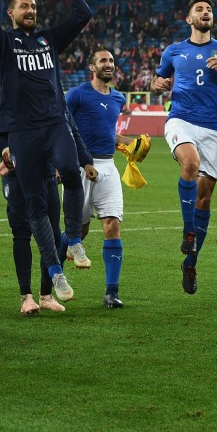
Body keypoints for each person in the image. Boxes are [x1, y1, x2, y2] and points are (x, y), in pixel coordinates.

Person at [0, 0, 92, 302]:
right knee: (35, 207)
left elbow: (84, 14)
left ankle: (74, 241)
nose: (30, 10)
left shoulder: (49, 39)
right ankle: (55, 274)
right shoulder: (5, 44)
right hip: (22, 133)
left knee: (72, 176)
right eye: (23, 7)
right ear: (11, 13)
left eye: (33, 6)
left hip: (53, 123)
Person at [151, 0, 217, 294]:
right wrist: (158, 85)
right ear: (189, 19)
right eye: (199, 10)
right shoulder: (174, 51)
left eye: (209, 10)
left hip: (211, 130)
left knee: (204, 199)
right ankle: (189, 230)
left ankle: (190, 263)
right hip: (180, 120)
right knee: (190, 164)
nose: (205, 13)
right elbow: (158, 81)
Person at [0, 91, 94, 314]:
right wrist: (5, 147)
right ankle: (26, 297)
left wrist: (80, 160)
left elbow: (69, 129)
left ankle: (46, 295)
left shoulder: (53, 92)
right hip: (16, 173)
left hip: (47, 174)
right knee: (22, 233)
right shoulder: (7, 91)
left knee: (53, 233)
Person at [66, 48, 148, 307]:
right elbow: (63, 127)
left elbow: (107, 133)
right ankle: (52, 275)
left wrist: (130, 142)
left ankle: (111, 292)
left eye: (111, 60)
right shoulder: (76, 95)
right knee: (78, 230)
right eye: (103, 60)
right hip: (80, 167)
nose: (109, 64)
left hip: (108, 167)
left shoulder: (117, 99)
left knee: (112, 224)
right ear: (92, 67)